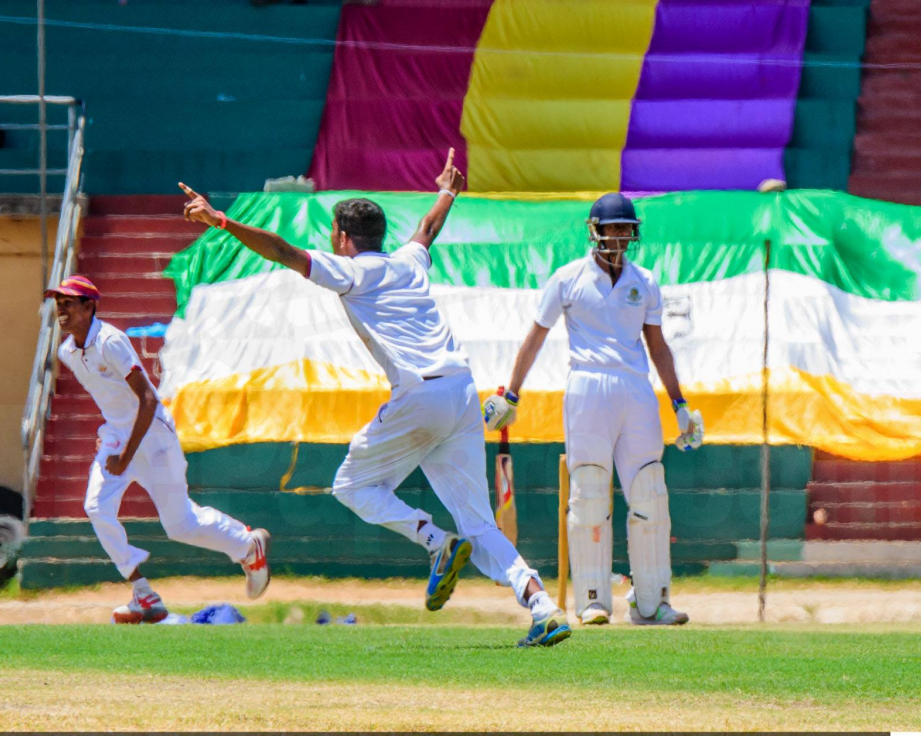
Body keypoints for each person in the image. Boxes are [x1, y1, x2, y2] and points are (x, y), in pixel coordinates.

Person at [178, 150, 571, 647]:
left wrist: (220, 220)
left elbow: (281, 250)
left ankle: (436, 542)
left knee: (350, 485)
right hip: (461, 392)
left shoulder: (350, 272)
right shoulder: (408, 262)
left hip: (419, 395)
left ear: (344, 238)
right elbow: (427, 229)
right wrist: (447, 191)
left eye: (333, 234)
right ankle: (543, 606)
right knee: (480, 523)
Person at [484, 192, 704, 626]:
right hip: (587, 385)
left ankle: (651, 603)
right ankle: (592, 600)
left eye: (626, 228)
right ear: (595, 231)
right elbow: (535, 337)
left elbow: (658, 345)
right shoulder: (568, 279)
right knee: (588, 492)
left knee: (650, 491)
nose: (619, 236)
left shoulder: (645, 281)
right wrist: (512, 393)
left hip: (636, 389)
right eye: (612, 228)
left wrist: (679, 403)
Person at [47, 275, 270, 623]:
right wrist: (112, 435)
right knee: (96, 507)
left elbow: (147, 399)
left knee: (180, 525)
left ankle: (247, 546)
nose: (61, 308)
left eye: (69, 302)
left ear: (89, 307)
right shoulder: (67, 351)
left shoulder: (110, 341)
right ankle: (143, 593)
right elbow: (112, 398)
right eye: (58, 302)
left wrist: (126, 455)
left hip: (153, 436)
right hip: (118, 436)